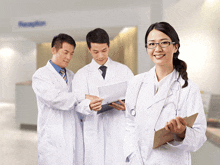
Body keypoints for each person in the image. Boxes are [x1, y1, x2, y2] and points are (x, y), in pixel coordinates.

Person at [124, 22, 207, 164]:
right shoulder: (135, 83)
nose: (157, 49)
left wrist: (181, 133)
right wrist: (131, 155)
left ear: (175, 47)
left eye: (163, 43)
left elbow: (199, 137)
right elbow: (129, 123)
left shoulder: (188, 88)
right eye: (151, 44)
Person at [32, 33, 102, 165]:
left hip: (73, 133)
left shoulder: (72, 76)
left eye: (71, 53)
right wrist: (84, 96)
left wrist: (90, 104)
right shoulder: (41, 76)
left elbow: (78, 103)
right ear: (54, 50)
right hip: (53, 136)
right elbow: (55, 99)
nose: (69, 57)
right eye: (65, 52)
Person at [72, 28, 134, 165]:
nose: (100, 55)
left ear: (109, 46)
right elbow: (76, 103)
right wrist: (88, 105)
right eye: (95, 51)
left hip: (118, 129)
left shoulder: (124, 71)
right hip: (94, 130)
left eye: (104, 50)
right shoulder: (81, 75)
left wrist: (127, 106)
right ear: (89, 49)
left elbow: (136, 100)